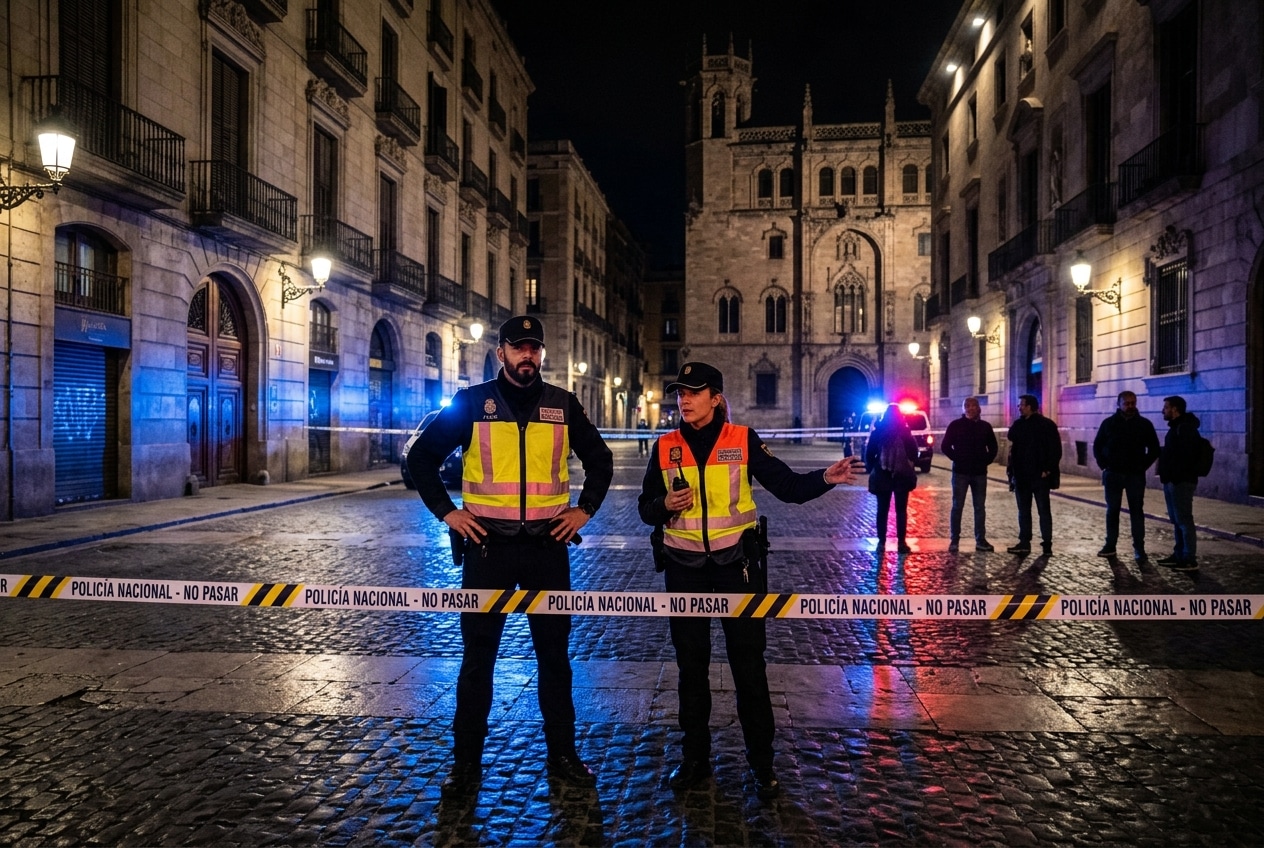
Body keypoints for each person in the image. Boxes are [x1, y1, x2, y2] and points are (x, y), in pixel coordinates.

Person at [406, 316, 614, 792]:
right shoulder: (471, 403)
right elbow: (421, 458)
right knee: (478, 660)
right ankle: (466, 764)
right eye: (518, 348)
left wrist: (583, 511)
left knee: (554, 660)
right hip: (487, 549)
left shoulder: (562, 404)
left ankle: (563, 754)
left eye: (534, 348)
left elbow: (599, 461)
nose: (527, 356)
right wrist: (447, 513)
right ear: (501, 352)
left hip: (547, 548)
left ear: (542, 354)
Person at [637, 362, 861, 801]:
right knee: (691, 670)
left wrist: (825, 479)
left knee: (748, 668)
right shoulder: (665, 446)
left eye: (693, 391)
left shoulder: (742, 439)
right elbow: (646, 508)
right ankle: (695, 760)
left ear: (716, 397)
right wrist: (663, 503)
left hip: (737, 569)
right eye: (680, 391)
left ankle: (762, 763)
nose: (683, 398)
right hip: (684, 570)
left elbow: (788, 487)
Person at [1092, 391, 1161, 561]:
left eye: (1133, 403)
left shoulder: (1144, 424)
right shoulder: (1109, 424)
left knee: (1136, 511)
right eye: (1127, 403)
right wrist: (1104, 465)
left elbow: (1154, 448)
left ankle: (1139, 548)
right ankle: (1110, 545)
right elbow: (1097, 446)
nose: (1130, 406)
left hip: (1134, 475)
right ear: (1119, 404)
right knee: (1112, 510)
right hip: (1113, 473)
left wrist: (1142, 466)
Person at [1005, 394, 1062, 556]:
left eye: (1021, 405)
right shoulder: (1020, 424)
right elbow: (1011, 436)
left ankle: (1046, 543)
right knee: (1024, 510)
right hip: (1022, 475)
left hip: (1039, 476)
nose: (1019, 407)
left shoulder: (1046, 425)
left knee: (1042, 510)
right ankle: (1025, 542)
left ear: (1029, 406)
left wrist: (1048, 469)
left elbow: (1055, 450)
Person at [941, 396, 998, 553]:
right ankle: (954, 540)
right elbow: (945, 446)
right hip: (960, 472)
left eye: (973, 405)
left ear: (978, 408)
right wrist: (957, 458)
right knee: (957, 506)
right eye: (966, 405)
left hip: (979, 472)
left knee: (979, 507)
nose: (970, 408)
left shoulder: (985, 426)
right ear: (963, 408)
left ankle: (980, 539)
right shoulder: (956, 425)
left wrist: (985, 460)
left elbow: (993, 447)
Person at [864, 403, 919, 553]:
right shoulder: (905, 432)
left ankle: (881, 543)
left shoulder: (878, 432)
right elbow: (914, 453)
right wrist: (908, 463)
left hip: (882, 474)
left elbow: (869, 454)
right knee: (901, 510)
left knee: (882, 510)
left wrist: (873, 468)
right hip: (901, 475)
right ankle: (901, 543)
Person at [1156, 395, 1201, 571]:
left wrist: (1174, 475)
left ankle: (1189, 558)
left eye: (1166, 407)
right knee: (1176, 520)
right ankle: (1179, 554)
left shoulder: (1185, 428)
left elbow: (1187, 457)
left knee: (1184, 519)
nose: (1163, 411)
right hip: (1172, 481)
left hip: (1181, 481)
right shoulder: (1176, 427)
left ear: (1175, 409)